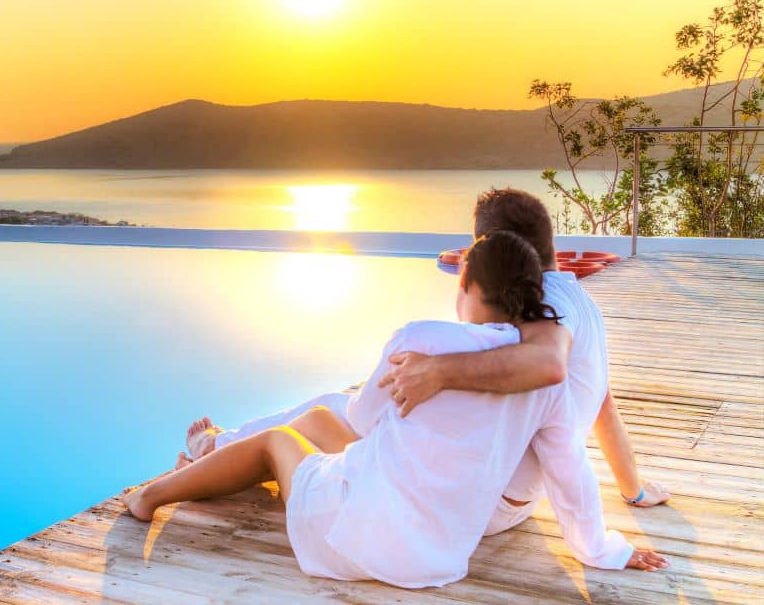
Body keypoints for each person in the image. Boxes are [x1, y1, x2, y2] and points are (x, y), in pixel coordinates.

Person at [124, 232, 667, 588]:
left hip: (354, 537)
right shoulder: (546, 379)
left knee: (280, 442)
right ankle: (207, 463)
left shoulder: (423, 340)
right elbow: (570, 474)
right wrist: (603, 550)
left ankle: (150, 498)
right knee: (314, 424)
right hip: (437, 555)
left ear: (471, 289)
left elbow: (363, 415)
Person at [186, 189, 668, 535]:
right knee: (358, 410)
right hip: (512, 498)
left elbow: (548, 364)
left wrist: (438, 371)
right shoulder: (582, 302)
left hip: (483, 504)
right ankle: (231, 449)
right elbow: (602, 405)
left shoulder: (548, 304)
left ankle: (216, 448)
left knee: (337, 410)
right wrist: (634, 490)